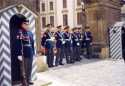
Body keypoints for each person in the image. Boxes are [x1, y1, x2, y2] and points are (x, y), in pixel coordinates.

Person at [15, 14, 35, 85]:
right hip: (23, 52)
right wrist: (19, 54)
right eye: (25, 24)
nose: (27, 25)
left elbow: (32, 43)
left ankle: (29, 79)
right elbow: (18, 44)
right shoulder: (19, 32)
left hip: (30, 52)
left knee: (29, 67)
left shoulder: (30, 33)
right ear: (22, 25)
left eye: (27, 24)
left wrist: (33, 53)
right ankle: (24, 82)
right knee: (23, 69)